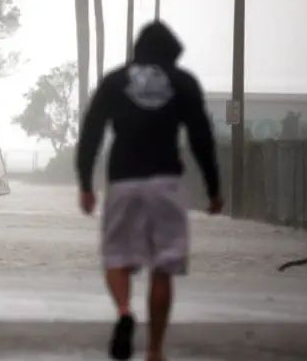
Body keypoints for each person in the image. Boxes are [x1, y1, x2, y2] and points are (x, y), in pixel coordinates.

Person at [75, 21, 223, 361]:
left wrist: (85, 183)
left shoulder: (115, 80)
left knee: (116, 258)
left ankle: (125, 311)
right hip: (166, 182)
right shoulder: (183, 82)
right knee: (163, 266)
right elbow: (201, 137)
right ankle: (155, 350)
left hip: (123, 181)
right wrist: (214, 188)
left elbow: (92, 130)